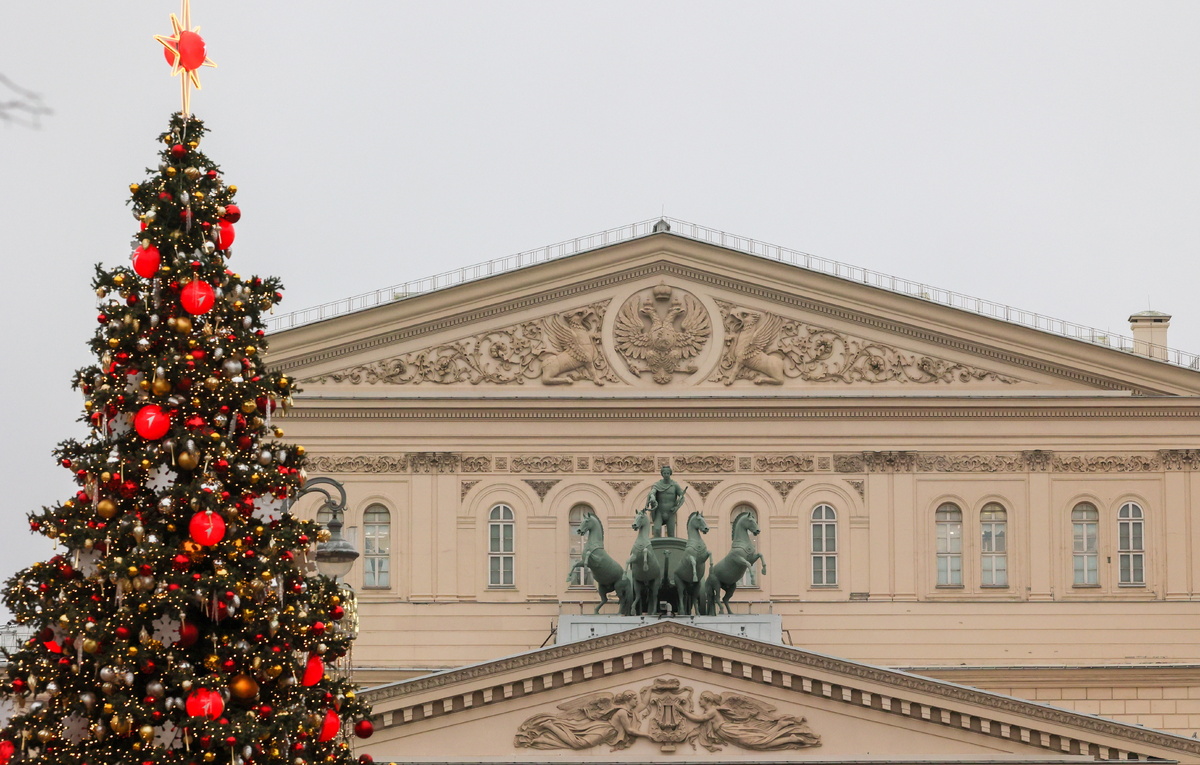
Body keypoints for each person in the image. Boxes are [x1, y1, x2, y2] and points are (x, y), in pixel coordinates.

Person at [645, 465, 687, 538]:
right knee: (657, 529)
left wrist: (676, 507)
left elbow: (682, 497)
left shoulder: (675, 485)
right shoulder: (658, 484)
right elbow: (652, 491)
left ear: (670, 473)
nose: (666, 475)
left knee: (671, 534)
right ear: (662, 474)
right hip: (660, 512)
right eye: (664, 473)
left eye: (668, 473)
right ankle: (657, 548)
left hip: (670, 513)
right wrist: (652, 496)